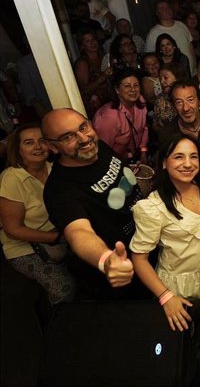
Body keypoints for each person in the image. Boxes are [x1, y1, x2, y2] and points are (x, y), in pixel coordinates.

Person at [130, 135, 200, 364]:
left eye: (193, 157)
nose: (188, 164)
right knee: (191, 321)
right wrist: (165, 296)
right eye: (178, 157)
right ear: (163, 162)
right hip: (180, 279)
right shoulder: (152, 207)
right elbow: (139, 259)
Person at [42, 108, 143, 299]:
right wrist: (106, 260)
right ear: (53, 147)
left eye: (83, 127)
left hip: (145, 243)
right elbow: (78, 233)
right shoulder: (59, 190)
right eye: (68, 137)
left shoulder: (97, 147)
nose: (83, 138)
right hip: (123, 265)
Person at [0, 123, 75, 304]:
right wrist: (56, 237)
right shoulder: (12, 179)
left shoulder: (54, 168)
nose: (37, 147)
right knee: (65, 289)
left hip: (60, 237)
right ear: (18, 149)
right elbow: (13, 230)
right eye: (29, 142)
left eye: (41, 141)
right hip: (24, 248)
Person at [92, 68, 149, 163]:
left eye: (136, 85)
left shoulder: (141, 102)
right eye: (127, 86)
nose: (133, 90)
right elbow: (103, 152)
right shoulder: (108, 117)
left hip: (136, 156)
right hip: (116, 163)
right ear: (117, 90)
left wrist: (143, 152)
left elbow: (144, 128)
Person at [146, 0, 196, 75]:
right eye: (162, 8)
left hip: (192, 72)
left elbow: (190, 46)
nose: (166, 9)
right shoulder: (153, 33)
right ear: (157, 13)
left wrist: (195, 66)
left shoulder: (181, 25)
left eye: (168, 7)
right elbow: (151, 58)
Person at [73, 29, 110, 117]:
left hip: (110, 103)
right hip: (96, 109)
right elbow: (84, 90)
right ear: (82, 46)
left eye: (93, 39)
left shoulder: (104, 57)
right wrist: (102, 77)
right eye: (88, 41)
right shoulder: (83, 63)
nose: (92, 43)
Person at [154, 62, 185, 131]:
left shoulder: (187, 95)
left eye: (166, 78)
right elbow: (156, 124)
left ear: (177, 78)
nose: (162, 82)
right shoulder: (160, 99)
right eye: (160, 78)